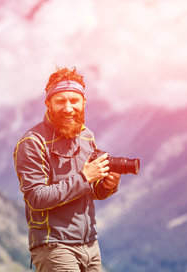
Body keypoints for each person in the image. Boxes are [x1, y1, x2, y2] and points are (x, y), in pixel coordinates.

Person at [13, 66, 121, 271]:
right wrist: (84, 178)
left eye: (74, 101)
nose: (68, 108)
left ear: (84, 102)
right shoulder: (32, 142)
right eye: (60, 101)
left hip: (90, 244)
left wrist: (106, 186)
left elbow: (87, 190)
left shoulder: (87, 136)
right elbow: (37, 198)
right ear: (48, 104)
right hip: (54, 246)